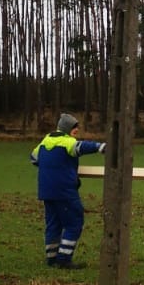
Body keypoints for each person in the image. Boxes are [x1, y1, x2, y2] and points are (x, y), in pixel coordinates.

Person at [30, 112, 106, 269]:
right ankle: (64, 259)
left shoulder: (45, 141)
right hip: (64, 191)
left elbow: (34, 158)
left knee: (53, 224)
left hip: (46, 191)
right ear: (66, 129)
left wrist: (51, 168)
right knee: (74, 222)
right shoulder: (67, 142)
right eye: (74, 127)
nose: (77, 129)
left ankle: (51, 258)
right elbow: (82, 147)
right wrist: (101, 147)